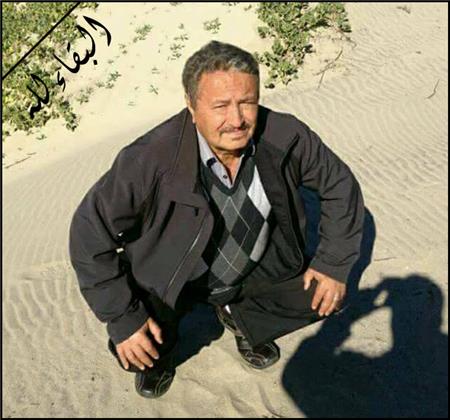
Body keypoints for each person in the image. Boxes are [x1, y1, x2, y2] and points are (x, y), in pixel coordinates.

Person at [69, 40, 365, 399]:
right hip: (170, 279)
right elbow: (88, 232)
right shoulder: (149, 159)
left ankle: (240, 319)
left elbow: (339, 184)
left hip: (250, 270)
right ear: (192, 106)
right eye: (221, 106)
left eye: (247, 102)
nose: (237, 120)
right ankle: (160, 358)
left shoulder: (285, 135)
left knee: (319, 295)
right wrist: (122, 318)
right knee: (135, 346)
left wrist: (333, 263)